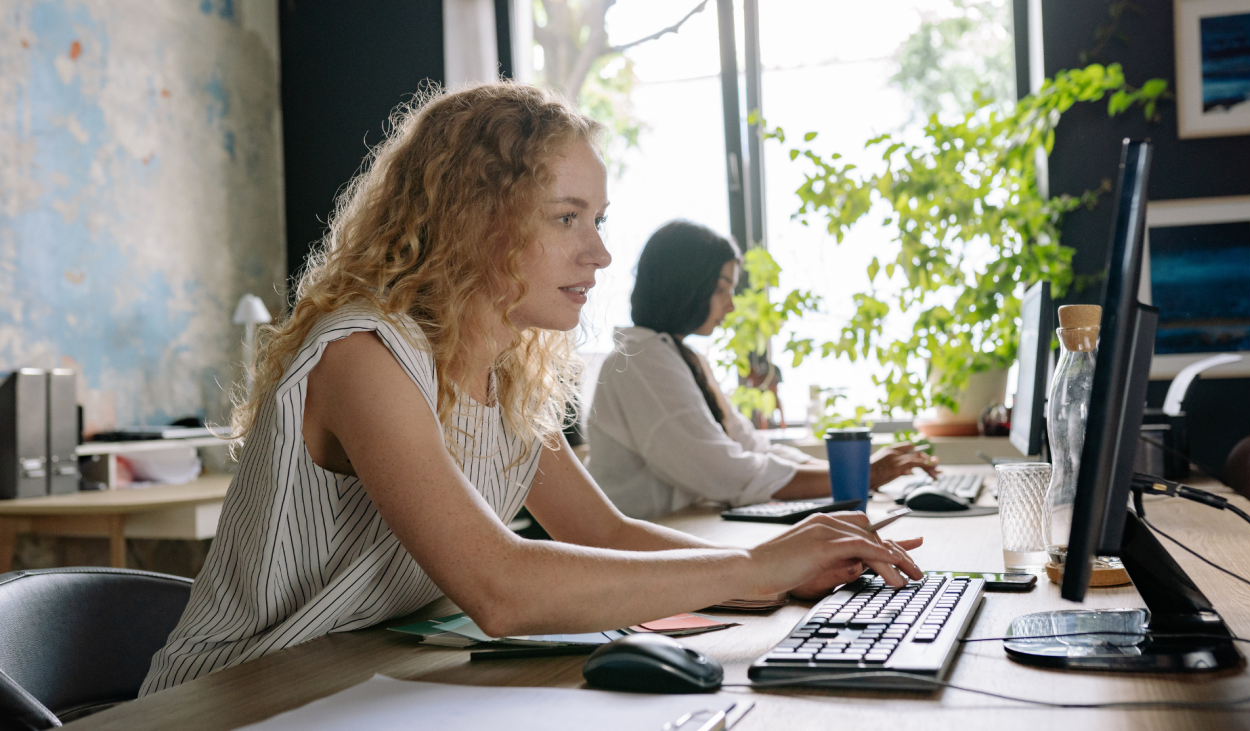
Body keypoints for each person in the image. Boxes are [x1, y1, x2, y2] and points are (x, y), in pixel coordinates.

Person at [140, 83, 923, 695]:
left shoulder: (508, 371)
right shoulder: (363, 356)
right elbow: (501, 587)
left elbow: (607, 535)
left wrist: (776, 566)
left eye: (600, 218)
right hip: (228, 699)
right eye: (566, 218)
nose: (601, 254)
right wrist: (752, 569)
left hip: (352, 680)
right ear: (473, 218)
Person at [585, 221, 939, 520]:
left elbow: (749, 445)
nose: (731, 304)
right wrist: (861, 476)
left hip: (688, 530)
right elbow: (725, 473)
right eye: (722, 288)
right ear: (686, 284)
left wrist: (857, 476)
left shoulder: (678, 356)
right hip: (651, 549)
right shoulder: (640, 362)